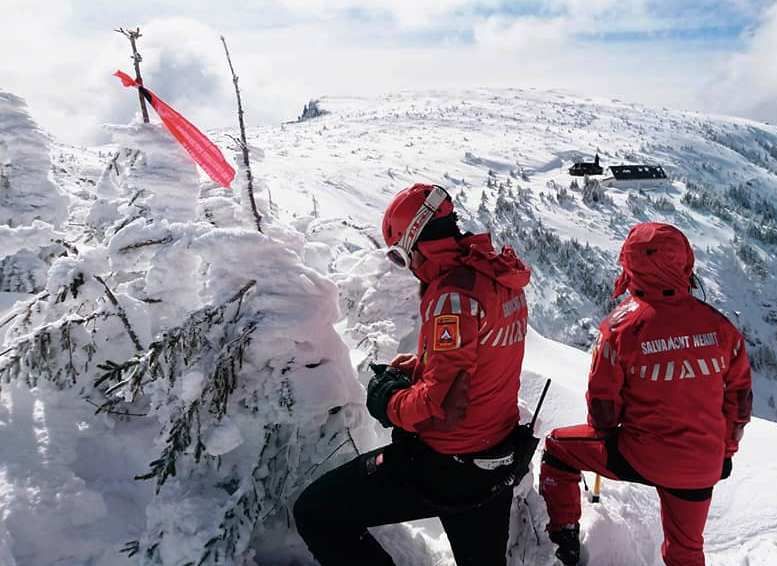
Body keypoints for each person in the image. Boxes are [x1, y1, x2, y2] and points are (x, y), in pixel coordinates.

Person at [293, 183, 531, 566]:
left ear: (417, 245)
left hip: (446, 465)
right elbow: (480, 361)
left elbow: (439, 406)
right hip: (497, 459)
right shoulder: (499, 279)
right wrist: (423, 367)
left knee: (315, 513)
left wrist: (387, 401)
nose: (410, 270)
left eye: (401, 258)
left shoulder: (452, 296)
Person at [539, 222, 753, 566]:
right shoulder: (722, 328)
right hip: (702, 463)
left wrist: (608, 437)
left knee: (558, 450)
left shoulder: (620, 328)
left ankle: (561, 544)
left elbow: (602, 407)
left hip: (640, 455)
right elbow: (739, 401)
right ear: (685, 261)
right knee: (686, 551)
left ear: (631, 263)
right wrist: (724, 451)